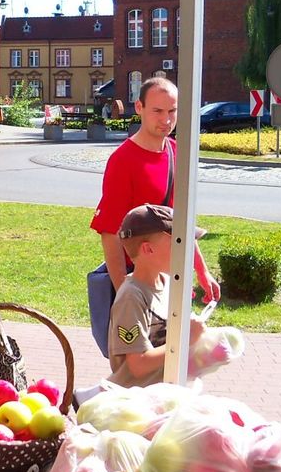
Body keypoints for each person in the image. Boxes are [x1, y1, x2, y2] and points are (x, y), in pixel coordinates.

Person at [91, 77, 220, 302]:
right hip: (139, 282)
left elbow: (179, 222)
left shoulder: (175, 151)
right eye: (157, 111)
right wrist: (126, 293)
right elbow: (110, 233)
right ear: (139, 108)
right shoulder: (123, 160)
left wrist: (202, 271)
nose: (166, 120)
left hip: (170, 281)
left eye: (172, 111)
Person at [107, 204, 206, 387]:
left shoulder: (168, 283)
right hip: (135, 402)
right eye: (177, 242)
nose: (185, 250)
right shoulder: (132, 296)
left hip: (163, 393)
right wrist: (185, 340)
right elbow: (138, 364)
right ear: (148, 249)